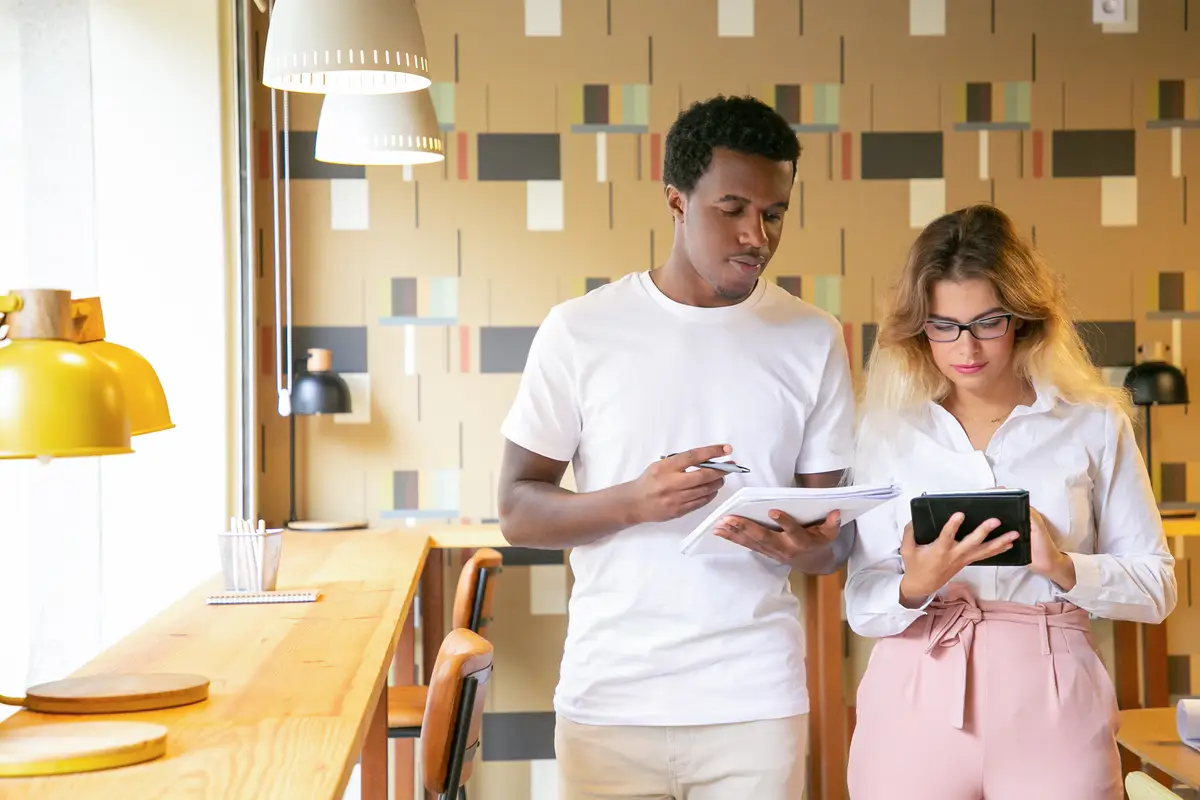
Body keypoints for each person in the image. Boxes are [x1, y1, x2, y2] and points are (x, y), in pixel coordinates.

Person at [497, 95, 856, 799]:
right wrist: (635, 501)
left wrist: (802, 546)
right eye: (732, 208)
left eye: (774, 212)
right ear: (676, 200)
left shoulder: (814, 338)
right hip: (611, 700)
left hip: (754, 701)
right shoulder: (580, 331)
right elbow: (517, 508)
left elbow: (832, 541)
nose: (756, 234)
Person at [843, 203, 1177, 799]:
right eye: (944, 325)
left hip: (1054, 695)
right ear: (921, 326)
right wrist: (913, 585)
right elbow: (862, 604)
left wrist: (1064, 567)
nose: (965, 346)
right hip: (914, 690)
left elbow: (1157, 589)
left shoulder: (1094, 424)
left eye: (986, 322)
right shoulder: (887, 432)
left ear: (1023, 318)